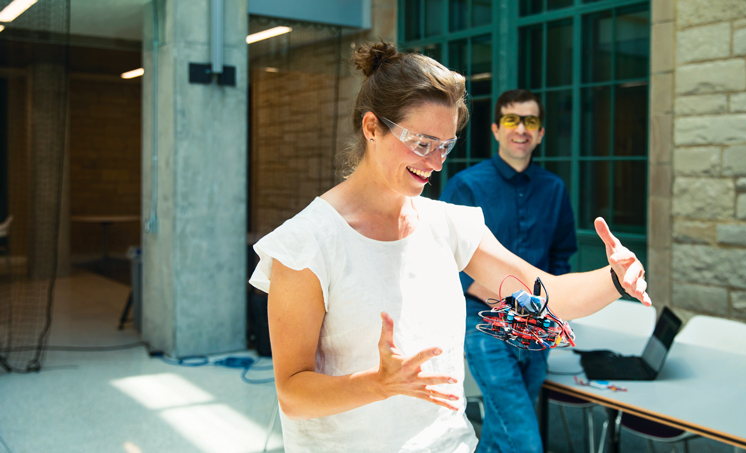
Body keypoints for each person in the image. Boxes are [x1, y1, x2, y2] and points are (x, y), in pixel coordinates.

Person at [249, 41, 651, 453]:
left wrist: (615, 279)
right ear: (372, 127)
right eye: (423, 143)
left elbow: (545, 295)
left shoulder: (450, 225)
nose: (437, 163)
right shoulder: (307, 244)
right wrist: (379, 384)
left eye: (446, 145)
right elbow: (292, 394)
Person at [440, 88, 578, 452]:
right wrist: (491, 290)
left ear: (541, 132)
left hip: (537, 328)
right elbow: (444, 256)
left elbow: (562, 254)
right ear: (497, 129)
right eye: (513, 120)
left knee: (502, 430)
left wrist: (552, 300)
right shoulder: (466, 186)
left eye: (531, 121)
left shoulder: (555, 189)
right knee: (525, 439)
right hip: (485, 323)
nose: (522, 129)